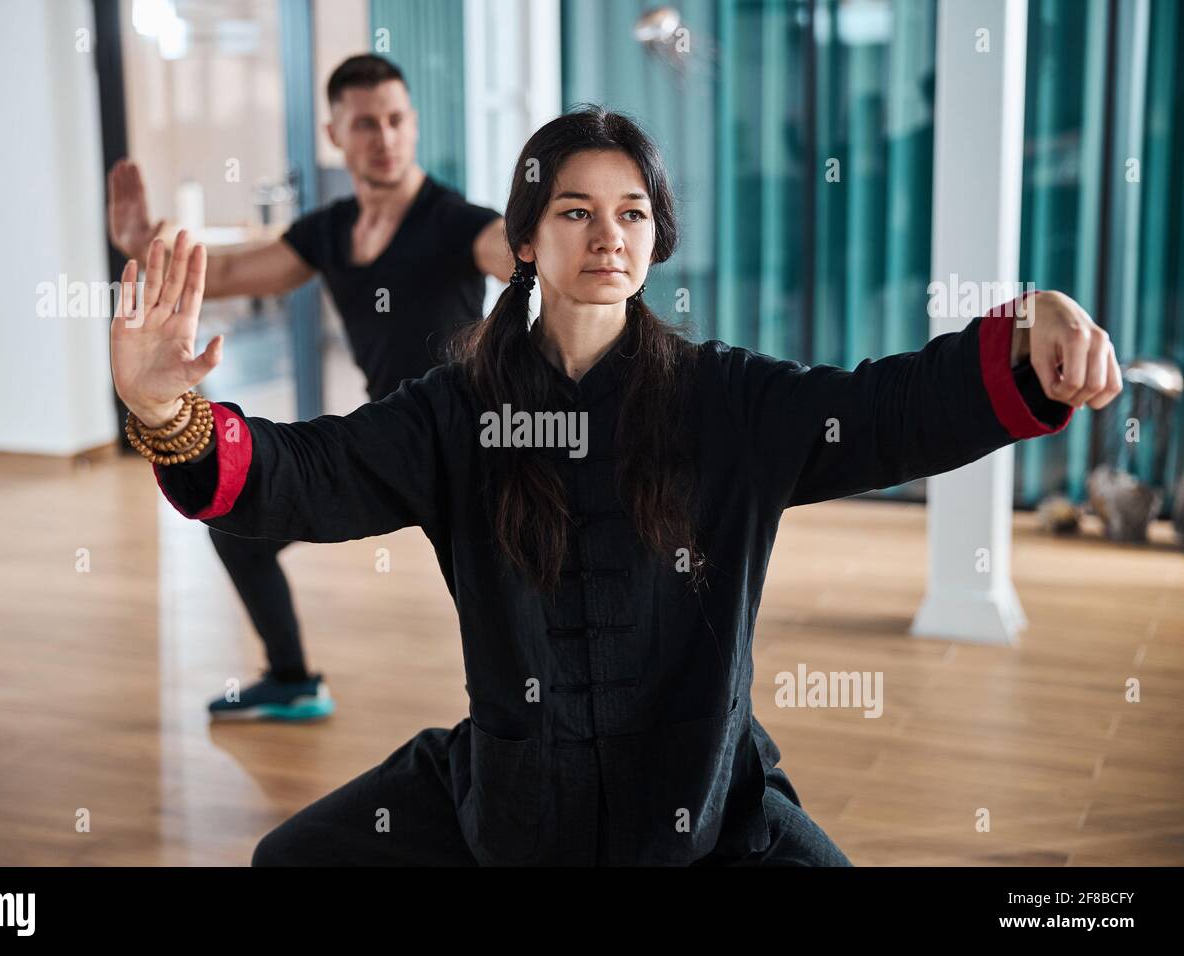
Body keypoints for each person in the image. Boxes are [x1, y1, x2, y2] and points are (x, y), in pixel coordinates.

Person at [111, 106, 1121, 865]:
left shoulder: (726, 400)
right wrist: (165, 412)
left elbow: (887, 409)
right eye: (576, 211)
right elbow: (309, 472)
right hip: (515, 802)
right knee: (288, 859)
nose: (608, 236)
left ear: (656, 237)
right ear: (525, 240)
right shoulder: (453, 413)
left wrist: (1032, 324)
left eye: (631, 213)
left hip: (703, 805)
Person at [108, 54, 513, 720]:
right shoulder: (329, 231)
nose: (383, 138)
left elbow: (507, 246)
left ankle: (539, 735)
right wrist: (143, 241)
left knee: (501, 608)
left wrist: (550, 239)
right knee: (235, 527)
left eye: (395, 120)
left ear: (412, 124)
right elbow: (232, 271)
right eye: (364, 124)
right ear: (335, 135)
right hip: (385, 442)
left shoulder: (457, 222)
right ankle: (292, 678)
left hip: (470, 446)